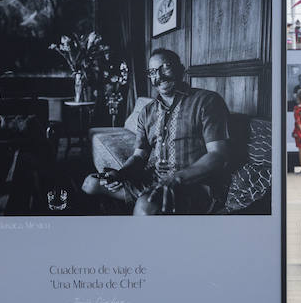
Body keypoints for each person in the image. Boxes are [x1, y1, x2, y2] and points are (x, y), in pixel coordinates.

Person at [82, 49, 231, 215]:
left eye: (165, 67)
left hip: (194, 184)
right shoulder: (147, 112)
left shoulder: (207, 101)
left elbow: (219, 155)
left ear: (181, 69)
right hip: (154, 180)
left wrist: (176, 178)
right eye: (153, 72)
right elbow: (139, 156)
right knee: (91, 183)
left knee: (145, 206)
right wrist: (121, 174)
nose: (159, 76)